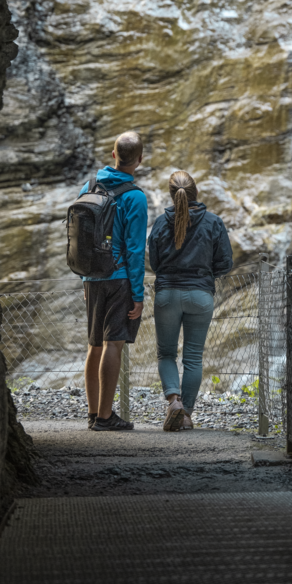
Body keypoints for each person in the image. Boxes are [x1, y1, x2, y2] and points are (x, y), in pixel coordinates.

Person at [148, 170, 233, 431]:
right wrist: (204, 274)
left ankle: (173, 401)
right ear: (196, 192)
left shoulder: (162, 223)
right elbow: (225, 263)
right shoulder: (213, 222)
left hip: (167, 295)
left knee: (166, 354)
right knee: (194, 358)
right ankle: (186, 415)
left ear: (172, 196)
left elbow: (154, 263)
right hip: (200, 295)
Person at [82, 131, 148, 431]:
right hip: (119, 279)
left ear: (113, 154)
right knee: (114, 344)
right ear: (140, 159)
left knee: (94, 345)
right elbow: (135, 250)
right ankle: (106, 418)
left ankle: (93, 413)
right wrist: (138, 294)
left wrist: (85, 277)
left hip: (92, 276)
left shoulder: (90, 185)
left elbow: (80, 237)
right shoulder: (135, 197)